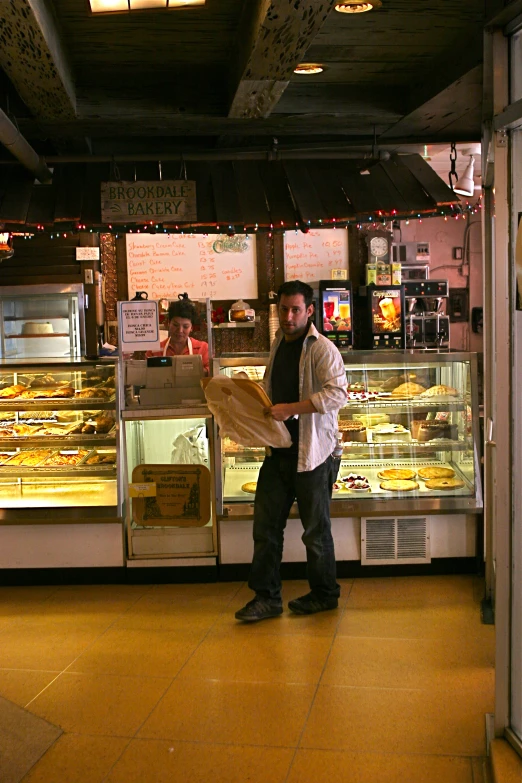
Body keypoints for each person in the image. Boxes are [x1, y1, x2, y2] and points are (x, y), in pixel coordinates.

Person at [235, 280, 347, 622]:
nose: (288, 316)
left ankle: (325, 594)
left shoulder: (322, 348)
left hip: (313, 454)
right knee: (265, 528)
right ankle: (266, 598)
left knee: (315, 531)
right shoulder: (277, 344)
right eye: (283, 309)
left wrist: (292, 409)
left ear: (309, 310)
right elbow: (273, 387)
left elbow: (338, 394)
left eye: (295, 309)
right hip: (279, 450)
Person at [147, 294, 209, 374]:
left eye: (185, 326)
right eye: (175, 325)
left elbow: (211, 371)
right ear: (168, 324)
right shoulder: (154, 351)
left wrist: (195, 371)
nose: (180, 330)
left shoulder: (203, 348)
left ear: (192, 328)